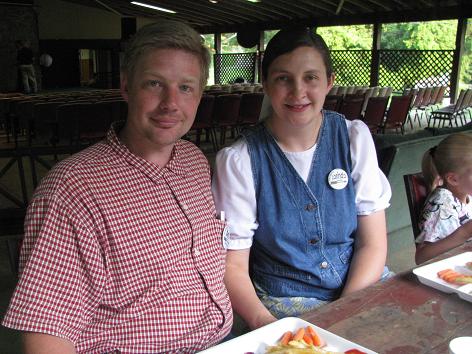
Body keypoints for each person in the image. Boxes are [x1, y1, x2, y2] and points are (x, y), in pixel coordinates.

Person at [2, 20, 232, 354]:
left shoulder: (194, 161)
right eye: (154, 84)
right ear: (126, 86)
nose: (171, 103)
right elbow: (46, 333)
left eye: (186, 87)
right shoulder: (73, 189)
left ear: (200, 94)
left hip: (223, 342)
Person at [212, 26, 392, 331]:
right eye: (283, 78)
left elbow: (372, 244)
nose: (298, 92)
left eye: (311, 77)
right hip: (285, 300)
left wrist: (344, 312)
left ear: (329, 83)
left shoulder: (352, 139)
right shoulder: (241, 160)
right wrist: (268, 327)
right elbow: (233, 267)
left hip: (358, 282)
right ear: (267, 85)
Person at [415, 133, 472, 264]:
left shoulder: (468, 194)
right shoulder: (441, 202)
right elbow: (421, 257)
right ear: (453, 179)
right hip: (451, 272)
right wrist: (465, 232)